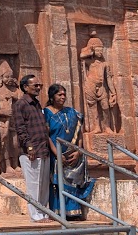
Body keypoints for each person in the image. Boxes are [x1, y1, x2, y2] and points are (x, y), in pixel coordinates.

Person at [44, 83, 94, 221]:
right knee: (58, 183)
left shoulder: (72, 112)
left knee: (73, 183)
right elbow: (47, 136)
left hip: (73, 153)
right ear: (52, 97)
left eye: (64, 94)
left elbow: (79, 134)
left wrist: (78, 150)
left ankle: (73, 212)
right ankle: (58, 212)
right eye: (59, 94)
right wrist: (56, 153)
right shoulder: (46, 113)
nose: (63, 97)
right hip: (57, 153)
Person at [12, 73, 49, 221]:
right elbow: (20, 128)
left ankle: (44, 213)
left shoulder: (37, 104)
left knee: (44, 184)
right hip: (32, 150)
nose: (38, 88)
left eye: (39, 85)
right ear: (26, 87)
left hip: (43, 149)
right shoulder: (21, 104)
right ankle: (35, 216)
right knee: (34, 185)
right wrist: (29, 147)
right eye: (35, 85)